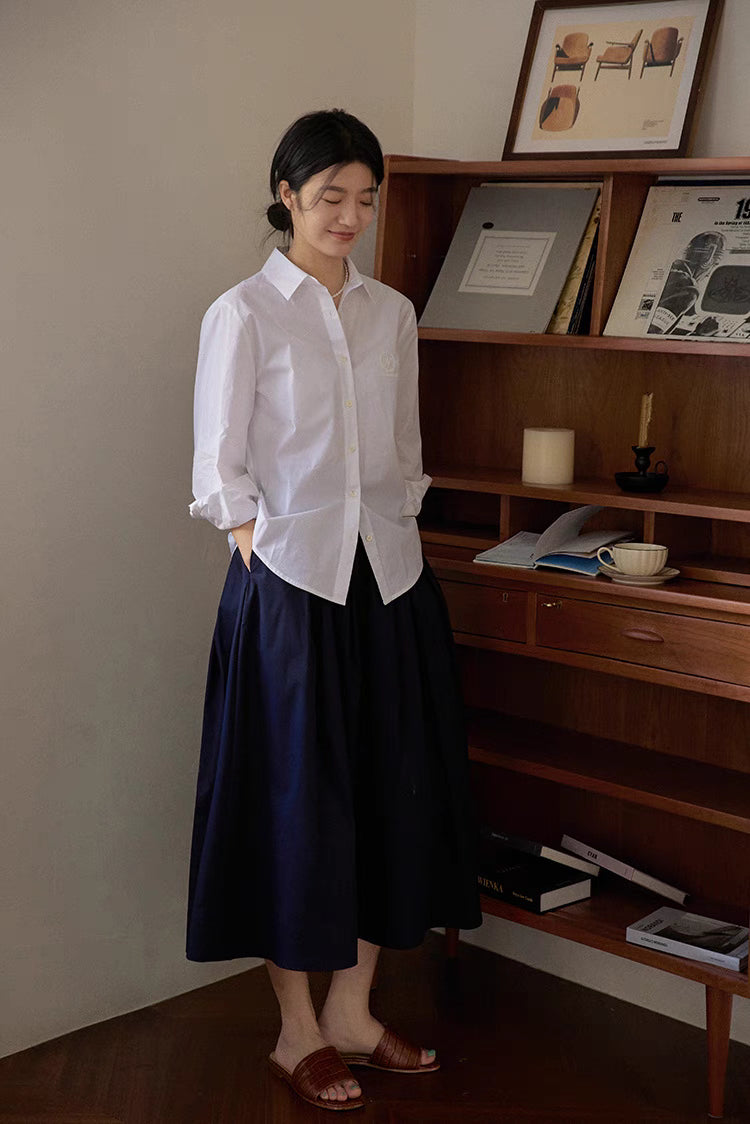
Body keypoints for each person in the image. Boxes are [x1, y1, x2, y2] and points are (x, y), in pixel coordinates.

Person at [186, 109, 481, 1112]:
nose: (349, 214)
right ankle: (296, 1030)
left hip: (389, 587)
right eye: (328, 197)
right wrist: (266, 561)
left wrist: (396, 542)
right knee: (294, 808)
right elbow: (219, 474)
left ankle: (355, 1010)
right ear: (285, 194)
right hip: (289, 597)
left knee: (385, 801)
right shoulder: (242, 314)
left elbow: (402, 454)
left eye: (365, 196)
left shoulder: (392, 313)